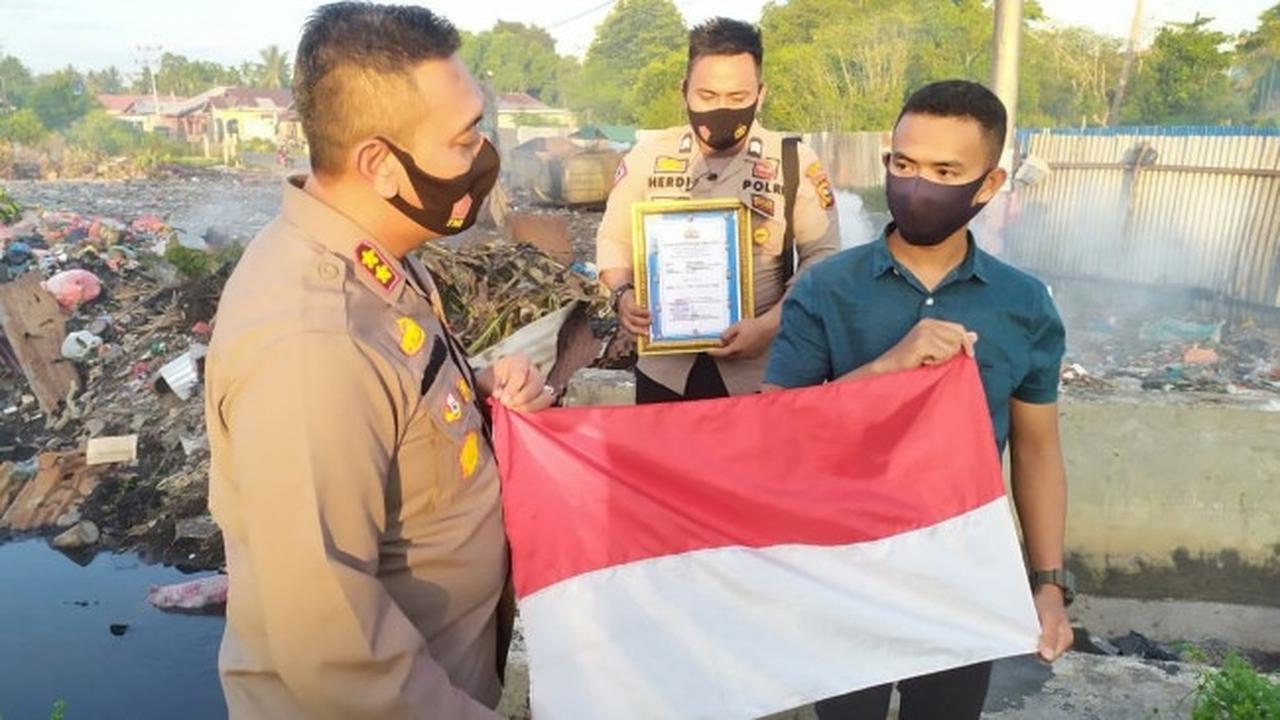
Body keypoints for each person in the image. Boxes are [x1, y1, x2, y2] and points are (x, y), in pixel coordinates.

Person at [204, 4, 553, 717]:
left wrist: (477, 396)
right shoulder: (312, 343)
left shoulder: (375, 261)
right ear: (379, 164)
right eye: (463, 139)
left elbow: (391, 415)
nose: (482, 155)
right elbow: (333, 648)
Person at [763, 80, 1074, 719]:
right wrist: (887, 366)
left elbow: (1037, 451)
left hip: (960, 572)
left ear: (988, 185)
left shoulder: (1024, 304)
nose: (917, 185)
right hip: (844, 565)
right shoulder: (828, 288)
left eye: (944, 171)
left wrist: (1048, 586)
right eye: (903, 165)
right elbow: (775, 431)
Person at [596, 17, 840, 403]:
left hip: (762, 371)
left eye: (737, 98)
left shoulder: (794, 160)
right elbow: (614, 239)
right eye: (707, 96)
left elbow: (822, 257)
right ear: (684, 92)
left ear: (761, 95)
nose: (721, 109)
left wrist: (770, 326)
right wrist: (622, 294)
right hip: (665, 372)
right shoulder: (647, 156)